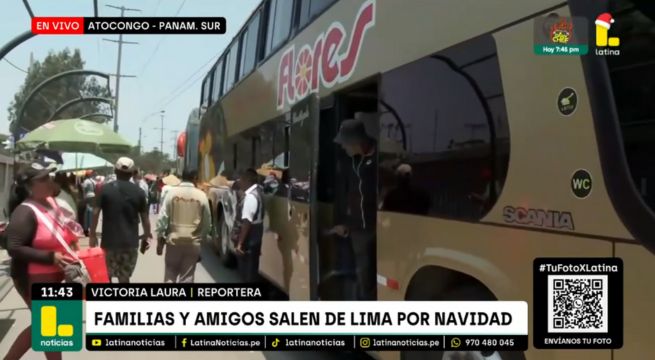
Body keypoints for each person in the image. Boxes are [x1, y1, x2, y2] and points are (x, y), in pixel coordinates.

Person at [5, 160, 79, 360]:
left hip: (56, 273)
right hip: (35, 277)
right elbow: (14, 248)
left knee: (52, 326)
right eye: (43, 178)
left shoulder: (51, 201)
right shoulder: (24, 212)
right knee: (47, 324)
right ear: (30, 186)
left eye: (49, 176)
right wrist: (50, 257)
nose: (50, 180)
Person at [330, 117, 378, 300]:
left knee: (371, 278)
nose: (343, 147)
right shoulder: (350, 162)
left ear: (356, 142)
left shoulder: (380, 158)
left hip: (376, 229)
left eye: (345, 144)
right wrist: (342, 223)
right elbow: (347, 196)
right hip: (357, 231)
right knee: (360, 276)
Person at [89, 157, 152, 283]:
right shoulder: (139, 192)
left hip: (109, 243)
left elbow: (95, 213)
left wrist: (92, 235)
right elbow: (145, 219)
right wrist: (146, 236)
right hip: (129, 243)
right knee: (124, 277)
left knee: (107, 275)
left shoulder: (104, 190)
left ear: (115, 171)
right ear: (131, 173)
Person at [156, 170, 211, 283]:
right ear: (195, 178)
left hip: (173, 242)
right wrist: (202, 239)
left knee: (170, 273)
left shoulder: (171, 194)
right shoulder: (201, 195)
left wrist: (160, 241)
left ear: (181, 178)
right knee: (187, 277)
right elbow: (207, 222)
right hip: (193, 243)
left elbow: (162, 219)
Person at [235, 168, 265, 283]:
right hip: (256, 236)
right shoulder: (259, 192)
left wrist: (240, 244)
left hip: (249, 238)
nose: (239, 182)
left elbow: (247, 222)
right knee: (252, 269)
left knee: (247, 272)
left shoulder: (251, 197)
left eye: (241, 180)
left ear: (248, 180)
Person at [81, 170, 96, 236]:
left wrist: (83, 198)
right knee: (91, 213)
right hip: (93, 195)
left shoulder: (86, 181)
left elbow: (84, 190)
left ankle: (87, 229)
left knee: (87, 213)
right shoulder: (93, 181)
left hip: (88, 196)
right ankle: (91, 228)